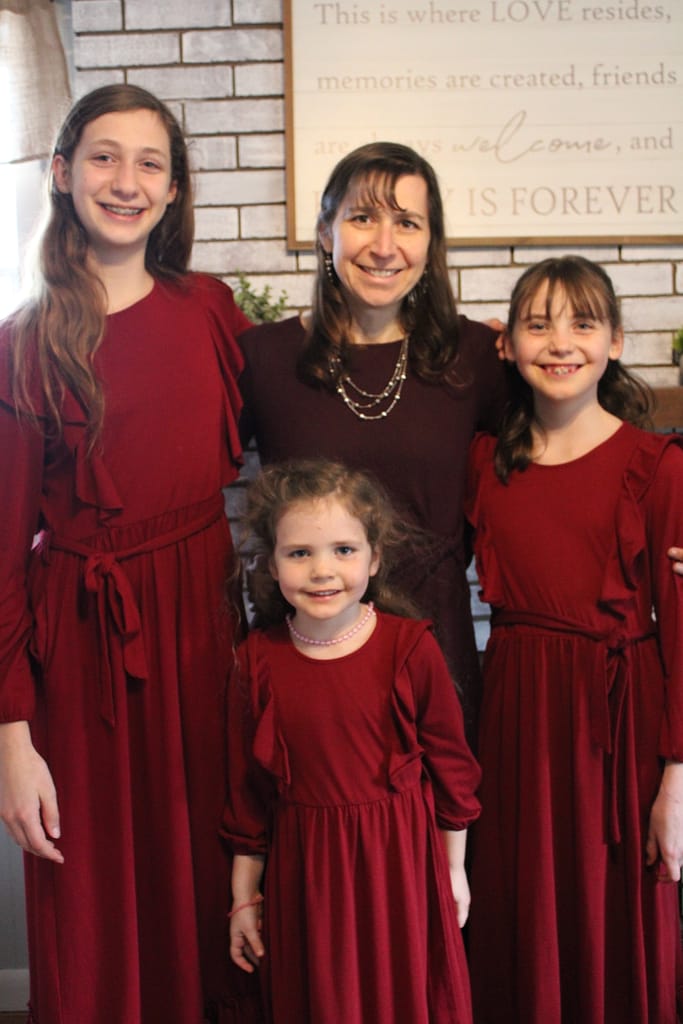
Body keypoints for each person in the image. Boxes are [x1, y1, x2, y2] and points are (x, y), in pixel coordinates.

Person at [0, 85, 261, 1024]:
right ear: (62, 174)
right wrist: (10, 738)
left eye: (150, 163)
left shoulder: (211, 310)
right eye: (104, 157)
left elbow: (313, 417)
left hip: (202, 628)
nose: (126, 181)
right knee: (97, 901)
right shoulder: (24, 344)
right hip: (84, 652)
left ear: (174, 189)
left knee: (208, 877)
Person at [465, 255, 683, 1023]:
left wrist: (676, 778)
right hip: (517, 714)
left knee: (615, 916)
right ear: (505, 345)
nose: (560, 343)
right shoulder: (482, 462)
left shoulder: (656, 467)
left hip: (621, 724)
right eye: (537, 324)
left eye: (582, 324)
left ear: (615, 341)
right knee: (520, 909)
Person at [237, 141, 508, 742]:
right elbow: (186, 478)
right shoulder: (264, 358)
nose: (384, 246)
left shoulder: (475, 356)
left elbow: (555, 464)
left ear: (430, 244)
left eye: (407, 223)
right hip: (306, 652)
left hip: (435, 647)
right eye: (362, 218)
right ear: (326, 233)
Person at [221, 458, 481, 1024]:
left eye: (343, 549)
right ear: (272, 563)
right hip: (306, 878)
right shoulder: (257, 661)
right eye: (299, 553)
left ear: (374, 558)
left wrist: (453, 871)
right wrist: (244, 898)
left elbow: (452, 773)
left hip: (399, 871)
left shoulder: (410, 649)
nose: (322, 570)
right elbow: (247, 796)